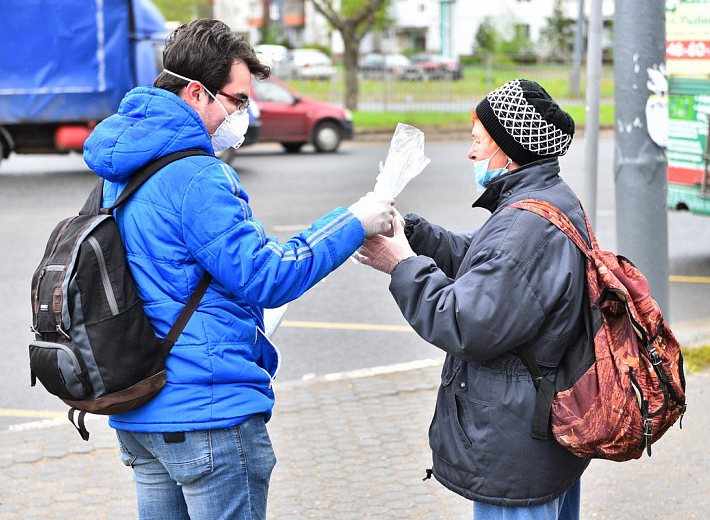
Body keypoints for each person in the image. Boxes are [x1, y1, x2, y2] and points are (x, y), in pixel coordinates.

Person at [82, 18, 394, 520]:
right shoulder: (197, 175)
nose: (244, 114)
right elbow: (268, 276)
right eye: (238, 100)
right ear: (196, 93)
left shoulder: (122, 166)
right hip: (208, 413)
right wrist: (353, 222)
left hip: (141, 409)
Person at [354, 79, 591, 519]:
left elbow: (465, 322)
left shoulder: (524, 227)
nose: (470, 152)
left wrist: (401, 264)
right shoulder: (545, 197)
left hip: (516, 451)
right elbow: (483, 258)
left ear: (509, 148)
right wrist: (413, 233)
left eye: (478, 141)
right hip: (536, 442)